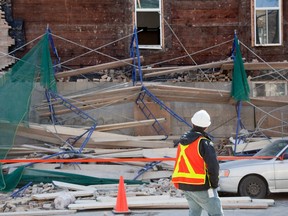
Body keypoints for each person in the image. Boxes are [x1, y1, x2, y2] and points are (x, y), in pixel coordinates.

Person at [172, 110, 224, 216]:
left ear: (192, 123)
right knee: (216, 213)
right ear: (206, 127)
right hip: (201, 185)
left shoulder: (182, 142)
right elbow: (213, 167)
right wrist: (214, 184)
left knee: (194, 212)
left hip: (185, 185)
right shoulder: (204, 143)